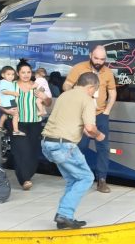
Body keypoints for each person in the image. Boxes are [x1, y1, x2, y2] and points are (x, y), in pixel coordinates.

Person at [42, 72, 106, 229]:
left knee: (73, 179)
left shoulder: (65, 95)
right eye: (95, 90)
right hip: (64, 146)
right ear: (91, 87)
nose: (94, 94)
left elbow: (70, 120)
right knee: (86, 178)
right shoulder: (87, 100)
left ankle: (65, 217)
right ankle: (64, 214)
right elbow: (90, 128)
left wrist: (84, 129)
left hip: (47, 143)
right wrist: (99, 135)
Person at [63, 45, 117, 193]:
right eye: (96, 58)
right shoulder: (79, 68)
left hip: (100, 115)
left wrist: (107, 111)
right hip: (81, 115)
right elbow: (66, 85)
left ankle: (102, 180)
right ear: (90, 55)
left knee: (103, 148)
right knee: (80, 146)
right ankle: (76, 177)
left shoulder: (108, 72)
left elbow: (112, 93)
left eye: (102, 59)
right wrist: (74, 97)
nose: (99, 61)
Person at [9, 60, 51, 190]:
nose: (26, 75)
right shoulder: (11, 86)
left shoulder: (37, 86)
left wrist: (44, 97)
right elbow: (0, 101)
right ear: (18, 73)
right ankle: (24, 179)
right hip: (18, 123)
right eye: (23, 72)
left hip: (34, 123)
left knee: (32, 152)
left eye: (28, 72)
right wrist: (7, 110)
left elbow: (48, 103)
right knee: (21, 150)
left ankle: (28, 174)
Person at [0, 66, 22, 135]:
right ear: (3, 75)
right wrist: (13, 93)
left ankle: (0, 126)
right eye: (8, 74)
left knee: (5, 114)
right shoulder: (4, 82)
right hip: (9, 102)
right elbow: (4, 91)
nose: (11, 76)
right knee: (16, 115)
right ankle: (16, 130)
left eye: (12, 74)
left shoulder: (9, 82)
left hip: (7, 102)